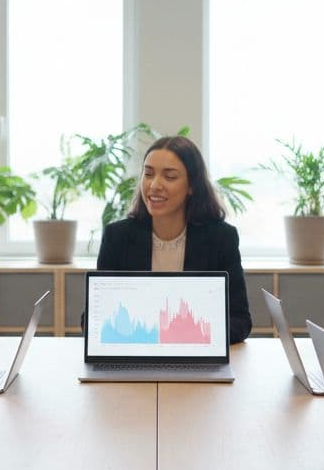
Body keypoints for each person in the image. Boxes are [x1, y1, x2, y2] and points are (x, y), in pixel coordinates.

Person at [96, 136, 252, 343]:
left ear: (192, 186)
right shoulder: (117, 236)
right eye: (148, 174)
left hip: (195, 355)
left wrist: (173, 337)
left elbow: (240, 321)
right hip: (136, 355)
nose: (154, 185)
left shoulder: (221, 238)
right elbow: (93, 320)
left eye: (169, 177)